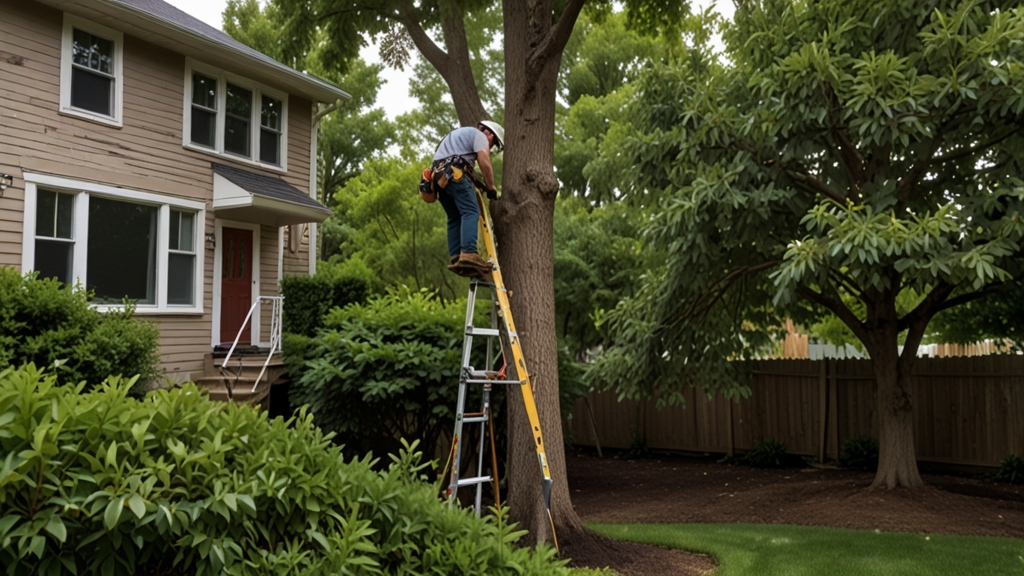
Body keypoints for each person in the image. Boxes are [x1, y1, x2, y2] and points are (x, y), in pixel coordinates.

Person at [432, 120, 504, 278]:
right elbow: (484, 161)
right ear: (490, 135)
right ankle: (469, 253)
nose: (490, 147)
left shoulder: (457, 136)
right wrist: (491, 187)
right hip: (454, 173)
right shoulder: (480, 136)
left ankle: (456, 255)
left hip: (438, 180)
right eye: (493, 144)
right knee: (471, 211)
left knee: (454, 217)